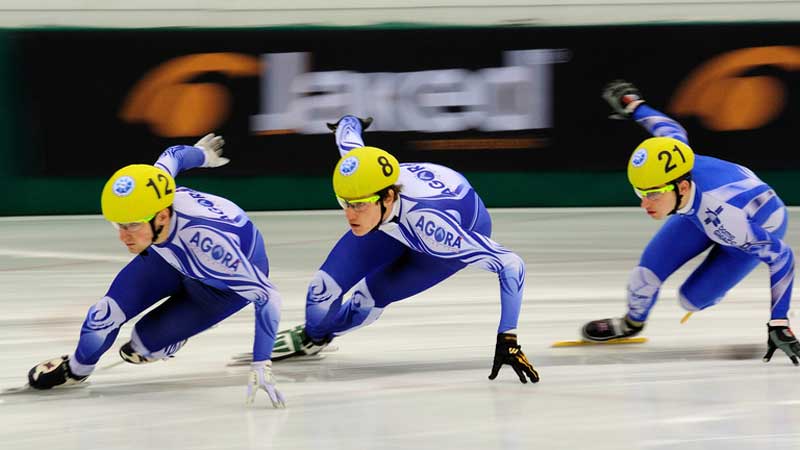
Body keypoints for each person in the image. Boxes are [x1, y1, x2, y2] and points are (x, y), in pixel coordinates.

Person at [270, 115, 539, 384]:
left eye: (359, 204)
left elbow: (510, 263)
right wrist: (350, 121)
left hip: (440, 245)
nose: (350, 214)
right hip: (392, 220)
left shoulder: (434, 229)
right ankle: (313, 338)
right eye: (344, 203)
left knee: (364, 299)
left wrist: (508, 337)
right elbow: (348, 134)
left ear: (387, 197)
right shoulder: (362, 171)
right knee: (321, 289)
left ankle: (325, 335)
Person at [26, 134, 287, 406]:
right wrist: (204, 155)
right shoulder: (155, 189)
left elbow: (268, 297)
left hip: (219, 288)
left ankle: (164, 342)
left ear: (161, 216)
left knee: (141, 348)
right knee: (102, 316)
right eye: (118, 225)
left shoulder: (209, 244)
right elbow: (173, 155)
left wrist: (261, 362)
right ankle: (76, 370)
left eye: (132, 225)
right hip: (171, 256)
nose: (123, 237)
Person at [582, 80, 800, 365]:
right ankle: (631, 324)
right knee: (643, 278)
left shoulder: (726, 217)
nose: (644, 204)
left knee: (691, 300)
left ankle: (715, 289)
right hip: (700, 214)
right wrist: (634, 105)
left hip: (745, 230)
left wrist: (779, 322)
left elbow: (783, 257)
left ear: (681, 187)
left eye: (653, 194)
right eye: (640, 193)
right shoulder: (676, 159)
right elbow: (670, 130)